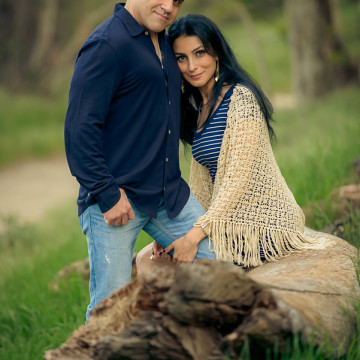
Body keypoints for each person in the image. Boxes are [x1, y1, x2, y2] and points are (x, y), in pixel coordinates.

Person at [64, 2, 216, 322]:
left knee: (219, 267)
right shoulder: (107, 45)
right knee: (111, 311)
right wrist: (107, 194)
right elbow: (80, 131)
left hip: (167, 195)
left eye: (176, 0)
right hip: (117, 203)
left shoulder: (162, 38)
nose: (168, 6)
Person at [137, 14, 324, 271]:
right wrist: (173, 231)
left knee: (170, 266)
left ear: (216, 53)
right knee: (148, 257)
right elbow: (202, 187)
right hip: (226, 220)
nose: (192, 66)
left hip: (261, 224)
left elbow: (236, 180)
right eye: (181, 58)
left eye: (199, 53)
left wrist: (191, 236)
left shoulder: (241, 100)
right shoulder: (199, 107)